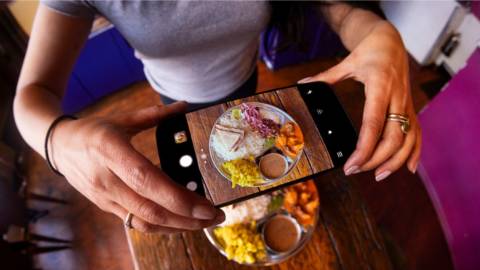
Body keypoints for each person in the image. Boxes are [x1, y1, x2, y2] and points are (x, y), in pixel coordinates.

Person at [13, 1, 421, 233]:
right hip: (172, 100)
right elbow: (32, 95)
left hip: (246, 83)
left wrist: (376, 33)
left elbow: (342, 10)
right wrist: (57, 141)